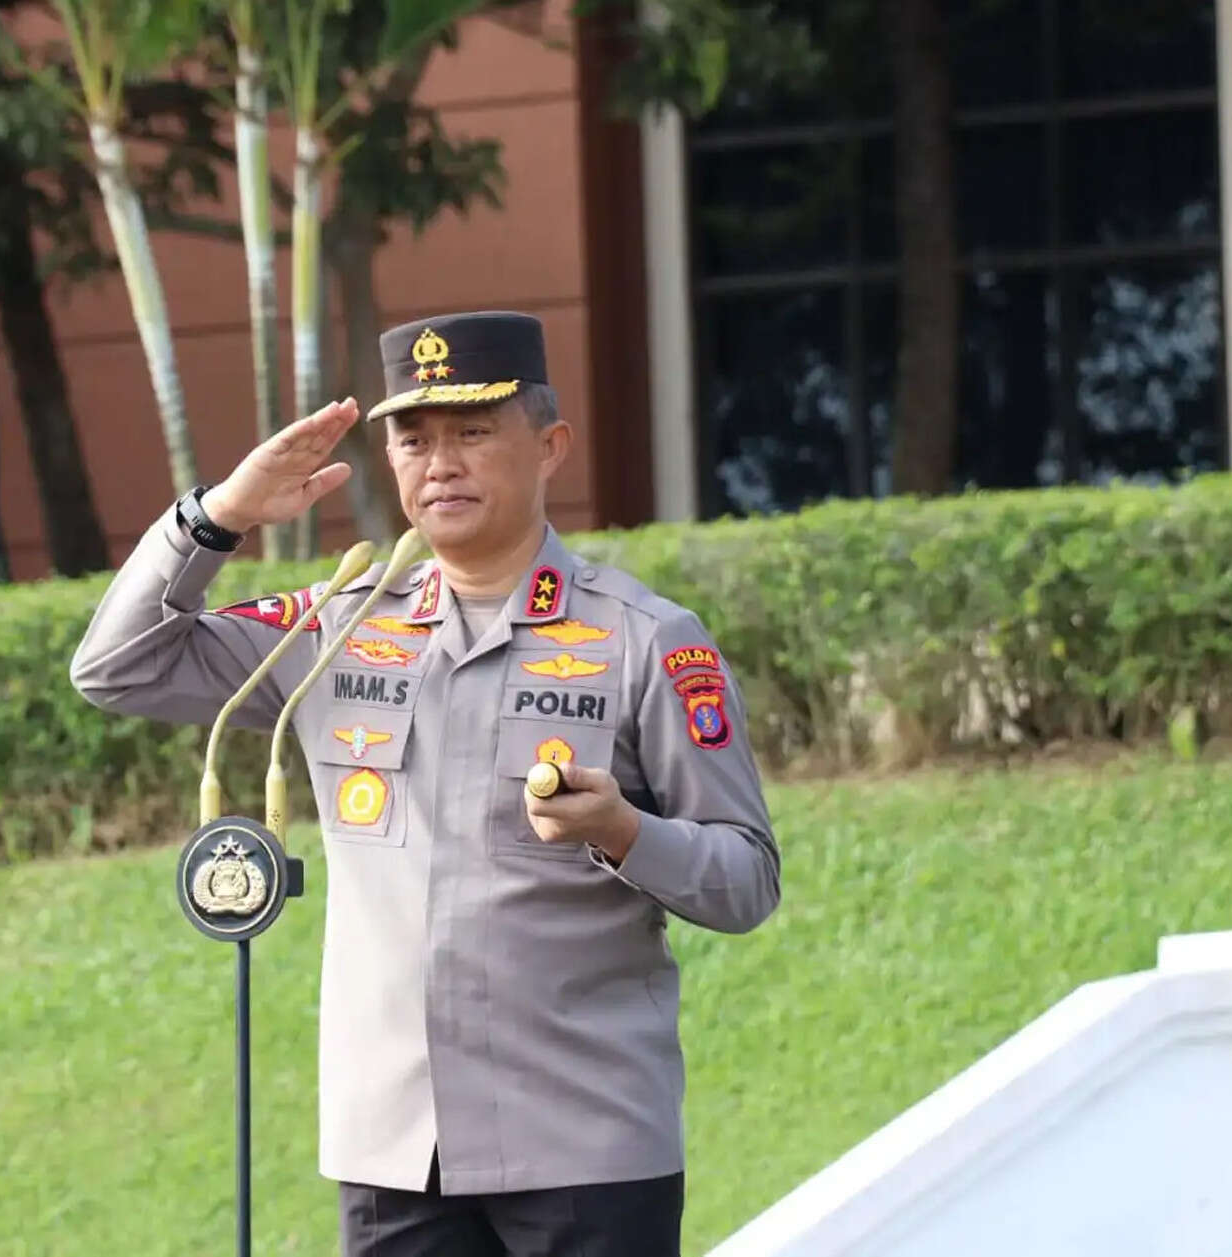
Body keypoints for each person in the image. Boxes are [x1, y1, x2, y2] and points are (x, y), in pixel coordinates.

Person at [69, 310, 781, 1257]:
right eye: (413, 439)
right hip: (395, 1148)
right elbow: (117, 669)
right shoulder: (332, 628)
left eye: (473, 432)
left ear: (550, 446)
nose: (439, 463)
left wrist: (623, 832)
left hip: (585, 1146)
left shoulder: (645, 639)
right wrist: (221, 514)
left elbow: (747, 879)